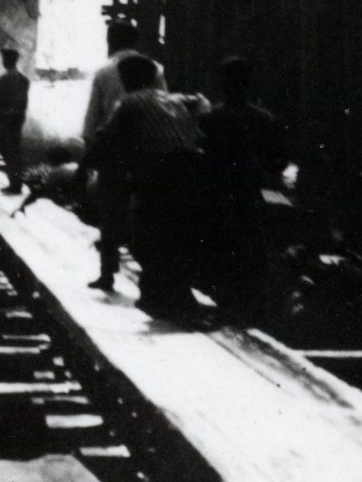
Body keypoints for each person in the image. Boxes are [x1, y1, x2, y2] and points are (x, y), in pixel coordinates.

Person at [87, 52, 207, 317]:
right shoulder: (174, 99)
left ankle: (157, 297)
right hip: (190, 170)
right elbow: (200, 102)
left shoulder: (129, 102)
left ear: (127, 79)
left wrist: (83, 170)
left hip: (161, 172)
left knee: (145, 233)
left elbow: (105, 139)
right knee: (175, 235)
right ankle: (171, 295)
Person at [199, 57, 290, 316]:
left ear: (222, 83)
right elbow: (279, 162)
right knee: (251, 256)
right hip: (250, 194)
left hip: (216, 197)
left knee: (218, 255)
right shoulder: (264, 119)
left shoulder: (209, 119)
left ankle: (222, 307)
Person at [80, 21, 154, 292]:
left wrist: (88, 159)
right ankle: (148, 276)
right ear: (136, 41)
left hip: (114, 153)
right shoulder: (155, 68)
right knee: (145, 214)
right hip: (146, 152)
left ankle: (107, 274)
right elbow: (164, 104)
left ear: (110, 40)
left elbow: (91, 121)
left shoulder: (103, 72)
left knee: (110, 213)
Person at [0, 47, 32, 193]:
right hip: (18, 119)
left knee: (6, 149)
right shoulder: (24, 79)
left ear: (8, 61)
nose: (4, 62)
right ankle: (17, 182)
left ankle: (14, 184)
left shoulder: (4, 78)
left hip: (5, 119)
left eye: (5, 60)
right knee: (15, 149)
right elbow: (24, 101)